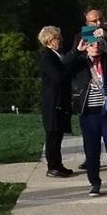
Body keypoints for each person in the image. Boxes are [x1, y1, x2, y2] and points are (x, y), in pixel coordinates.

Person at [67, 28, 107, 197]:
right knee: (92, 151)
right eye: (91, 44)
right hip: (89, 113)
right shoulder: (80, 63)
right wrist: (76, 51)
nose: (95, 46)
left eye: (98, 44)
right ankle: (94, 183)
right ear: (86, 46)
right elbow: (65, 65)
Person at [37, 25, 76, 178]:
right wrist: (69, 69)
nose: (60, 41)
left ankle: (58, 164)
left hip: (61, 100)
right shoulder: (47, 56)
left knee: (58, 134)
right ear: (48, 40)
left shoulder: (59, 54)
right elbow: (58, 76)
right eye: (56, 38)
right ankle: (52, 166)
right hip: (52, 101)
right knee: (52, 134)